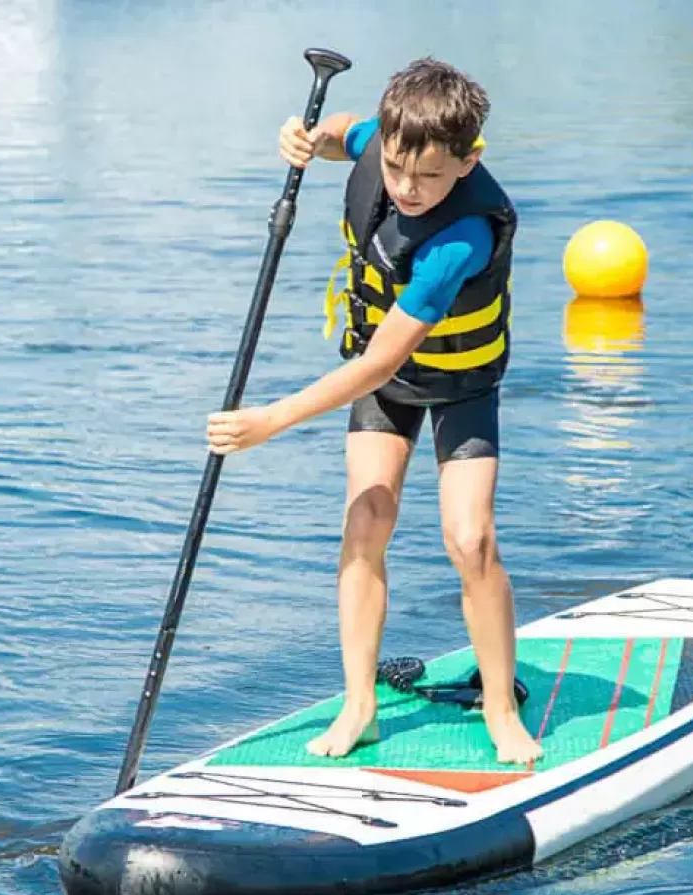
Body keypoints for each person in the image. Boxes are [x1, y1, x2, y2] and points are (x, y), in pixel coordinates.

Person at [206, 57, 542, 765]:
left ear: (469, 160)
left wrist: (272, 420)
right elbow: (340, 132)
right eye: (397, 170)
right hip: (387, 388)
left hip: (458, 384)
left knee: (469, 540)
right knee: (367, 519)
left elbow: (381, 361)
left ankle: (501, 704)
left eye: (430, 176)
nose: (408, 189)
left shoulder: (462, 237)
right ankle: (360, 703)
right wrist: (304, 140)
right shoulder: (378, 143)